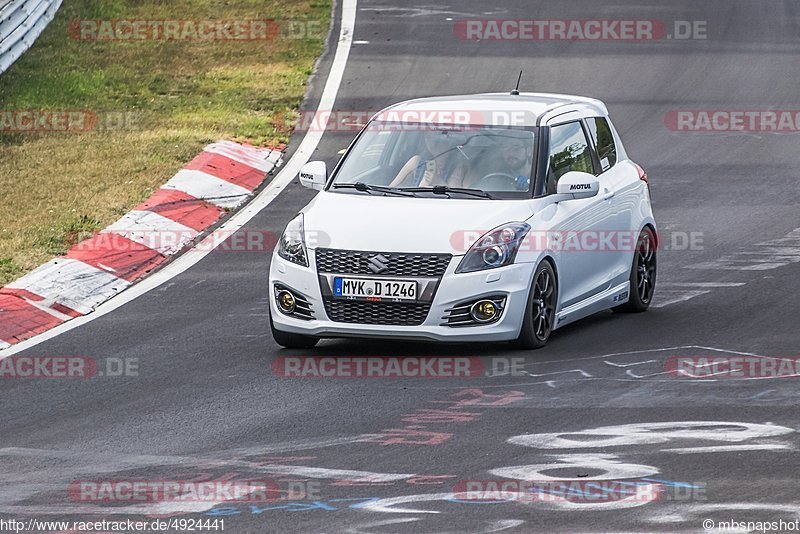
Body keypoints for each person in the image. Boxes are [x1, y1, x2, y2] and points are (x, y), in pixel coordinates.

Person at [389, 130, 467, 188]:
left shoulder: (459, 167)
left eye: (438, 137)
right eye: (428, 137)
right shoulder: (416, 162)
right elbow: (390, 189)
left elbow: (462, 199)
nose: (432, 142)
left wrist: (438, 181)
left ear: (450, 141)